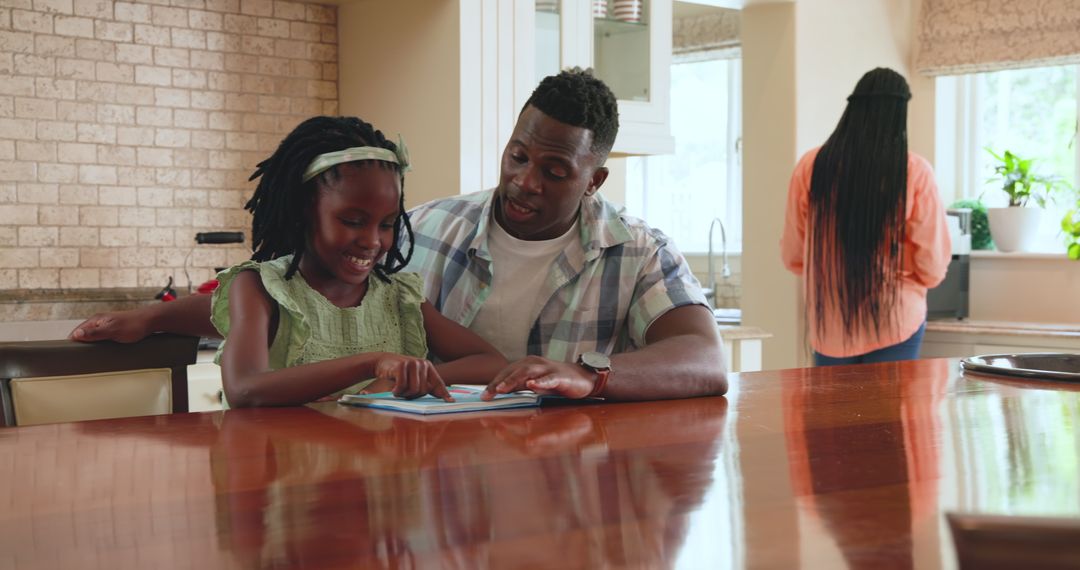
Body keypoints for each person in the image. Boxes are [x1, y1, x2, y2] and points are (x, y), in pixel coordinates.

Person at [71, 69, 727, 401]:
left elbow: (705, 362)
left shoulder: (638, 250)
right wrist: (154, 318)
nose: (526, 181)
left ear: (594, 179)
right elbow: (288, 296)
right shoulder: (435, 228)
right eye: (517, 156)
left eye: (555, 171)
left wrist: (590, 376)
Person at [204, 116, 506, 406]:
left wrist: (406, 377)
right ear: (304, 211)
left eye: (387, 225)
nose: (373, 241)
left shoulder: (399, 297)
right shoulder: (260, 287)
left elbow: (492, 364)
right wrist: (371, 364)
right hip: (280, 457)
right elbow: (244, 389)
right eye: (353, 221)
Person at [780, 67, 950, 366]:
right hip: (896, 319)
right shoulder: (914, 170)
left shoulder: (812, 166)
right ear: (900, 110)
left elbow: (794, 254)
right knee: (888, 413)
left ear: (853, 107)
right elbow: (931, 266)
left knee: (832, 412)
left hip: (830, 324)